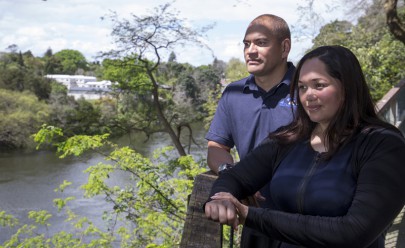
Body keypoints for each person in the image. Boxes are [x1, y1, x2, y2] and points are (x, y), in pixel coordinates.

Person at [204, 45, 405, 248]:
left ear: (347, 88)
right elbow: (235, 177)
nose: (308, 95)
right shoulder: (289, 139)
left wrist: (249, 215)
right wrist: (223, 199)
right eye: (302, 87)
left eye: (319, 85)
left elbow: (353, 232)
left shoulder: (383, 145)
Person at [205, 13, 295, 246]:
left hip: (304, 217)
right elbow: (216, 147)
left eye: (261, 43)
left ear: (284, 47)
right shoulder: (233, 94)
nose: (250, 51)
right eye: (246, 44)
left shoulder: (307, 89)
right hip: (254, 217)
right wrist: (234, 176)